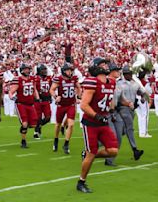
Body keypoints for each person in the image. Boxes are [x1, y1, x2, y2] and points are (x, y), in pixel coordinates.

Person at [77, 57, 117, 193]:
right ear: (96, 67)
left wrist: (112, 110)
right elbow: (83, 105)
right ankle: (81, 182)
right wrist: (97, 115)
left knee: (113, 151)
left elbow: (109, 101)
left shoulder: (111, 82)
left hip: (103, 121)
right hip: (91, 123)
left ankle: (89, 154)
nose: (106, 66)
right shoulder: (92, 82)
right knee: (91, 153)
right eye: (103, 64)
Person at [105, 65, 144, 166]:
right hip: (117, 110)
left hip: (125, 110)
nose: (129, 75)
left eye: (130, 73)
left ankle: (102, 151)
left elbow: (122, 97)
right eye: (127, 73)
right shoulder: (115, 83)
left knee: (119, 134)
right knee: (126, 130)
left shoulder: (133, 83)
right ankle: (134, 150)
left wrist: (135, 100)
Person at [50, 62, 81, 154]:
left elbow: (79, 88)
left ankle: (66, 143)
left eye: (71, 70)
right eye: (68, 70)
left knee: (71, 124)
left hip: (71, 104)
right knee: (58, 125)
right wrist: (56, 97)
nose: (70, 72)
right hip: (61, 105)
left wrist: (78, 97)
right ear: (63, 71)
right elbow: (51, 89)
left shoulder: (74, 79)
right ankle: (56, 140)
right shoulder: (59, 79)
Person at [9, 63, 39, 148]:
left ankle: (23, 129)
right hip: (21, 104)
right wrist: (12, 97)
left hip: (30, 104)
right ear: (22, 70)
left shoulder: (32, 79)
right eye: (26, 69)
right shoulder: (18, 79)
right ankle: (23, 141)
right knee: (25, 123)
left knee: (33, 125)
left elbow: (34, 89)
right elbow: (11, 91)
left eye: (28, 69)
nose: (27, 70)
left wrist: (37, 97)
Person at [33, 64, 52, 139]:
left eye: (45, 69)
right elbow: (34, 90)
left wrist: (50, 96)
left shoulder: (48, 79)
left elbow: (50, 88)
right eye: (42, 70)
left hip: (46, 100)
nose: (44, 71)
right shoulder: (36, 79)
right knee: (38, 117)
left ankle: (38, 126)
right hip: (38, 100)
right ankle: (36, 131)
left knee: (48, 117)